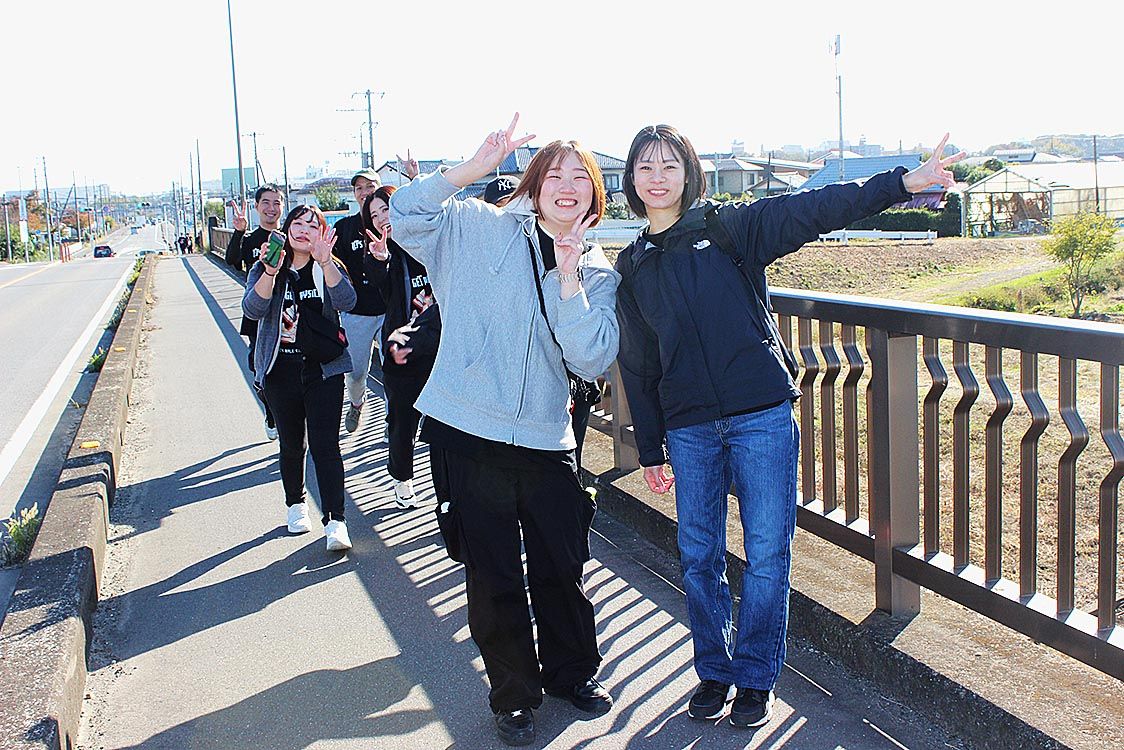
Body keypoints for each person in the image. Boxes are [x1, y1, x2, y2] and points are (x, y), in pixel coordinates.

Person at [614, 125, 964, 729]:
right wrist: (651, 448)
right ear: (632, 180)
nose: (658, 177)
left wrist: (905, 184)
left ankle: (755, 678)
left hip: (761, 416)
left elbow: (817, 207)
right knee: (698, 554)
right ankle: (714, 671)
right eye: (646, 167)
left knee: (767, 553)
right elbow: (639, 365)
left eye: (671, 165)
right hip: (689, 427)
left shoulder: (731, 228)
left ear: (690, 173)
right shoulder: (634, 264)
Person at [389, 114, 620, 747]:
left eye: (581, 178)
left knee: (562, 565)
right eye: (555, 174)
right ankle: (514, 695)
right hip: (468, 428)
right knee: (492, 574)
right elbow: (405, 216)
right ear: (534, 183)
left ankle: (572, 673)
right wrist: (471, 169)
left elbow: (592, 358)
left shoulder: (598, 271)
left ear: (594, 194)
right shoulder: (476, 226)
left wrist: (568, 279)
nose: (567, 187)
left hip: (548, 435)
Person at [242, 204, 358, 552]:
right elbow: (253, 310)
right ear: (287, 228)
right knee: (293, 444)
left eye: (312, 224)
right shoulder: (267, 266)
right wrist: (269, 271)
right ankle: (295, 504)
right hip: (281, 369)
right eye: (298, 223)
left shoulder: (328, 266)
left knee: (326, 446)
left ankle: (336, 521)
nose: (303, 230)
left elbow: (348, 301)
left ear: (321, 233)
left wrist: (326, 263)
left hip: (324, 369)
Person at [362, 184, 441, 508]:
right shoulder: (382, 252)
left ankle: (447, 493)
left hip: (441, 347)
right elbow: (378, 278)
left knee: (443, 422)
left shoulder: (429, 242)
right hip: (403, 350)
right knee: (402, 420)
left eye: (386, 209)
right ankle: (402, 478)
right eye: (374, 215)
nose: (382, 218)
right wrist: (380, 259)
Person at [226, 184, 285, 440]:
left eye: (277, 202)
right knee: (259, 368)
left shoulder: (291, 235)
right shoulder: (250, 239)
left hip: (288, 314)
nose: (271, 208)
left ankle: (289, 417)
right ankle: (271, 413)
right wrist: (239, 231)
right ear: (257, 207)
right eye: (266, 203)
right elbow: (231, 260)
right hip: (257, 314)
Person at [332, 169, 388, 436]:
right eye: (359, 188)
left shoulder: (391, 222)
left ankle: (393, 421)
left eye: (370, 186)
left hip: (390, 311)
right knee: (355, 373)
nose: (365, 192)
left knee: (394, 369)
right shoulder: (345, 228)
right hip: (356, 313)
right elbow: (328, 263)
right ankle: (356, 403)